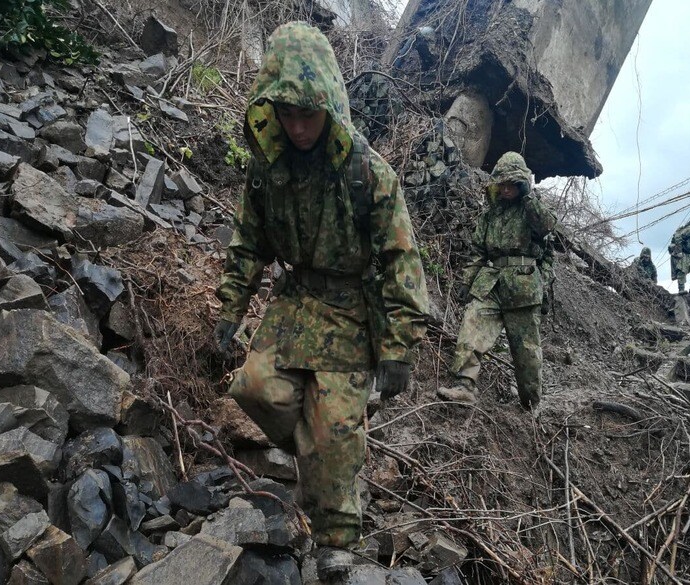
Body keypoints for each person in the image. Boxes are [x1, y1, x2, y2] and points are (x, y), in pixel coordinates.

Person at [213, 22, 429, 579]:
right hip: (295, 304)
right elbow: (247, 243)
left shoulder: (367, 171)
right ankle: (318, 455)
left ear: (330, 106)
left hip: (353, 313)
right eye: (287, 114)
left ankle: (336, 541)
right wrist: (230, 310)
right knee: (254, 388)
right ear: (273, 110)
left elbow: (401, 260)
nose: (300, 127)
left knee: (334, 427)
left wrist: (399, 346)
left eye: (309, 114)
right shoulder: (268, 168)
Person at [437, 152, 557, 410]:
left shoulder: (532, 211)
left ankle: (530, 403)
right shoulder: (489, 216)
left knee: (526, 353)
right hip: (490, 283)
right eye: (501, 184)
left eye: (511, 183)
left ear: (521, 184)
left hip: (524, 287)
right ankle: (464, 385)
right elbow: (478, 252)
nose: (504, 189)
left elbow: (548, 228)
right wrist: (465, 282)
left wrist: (528, 198)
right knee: (472, 324)